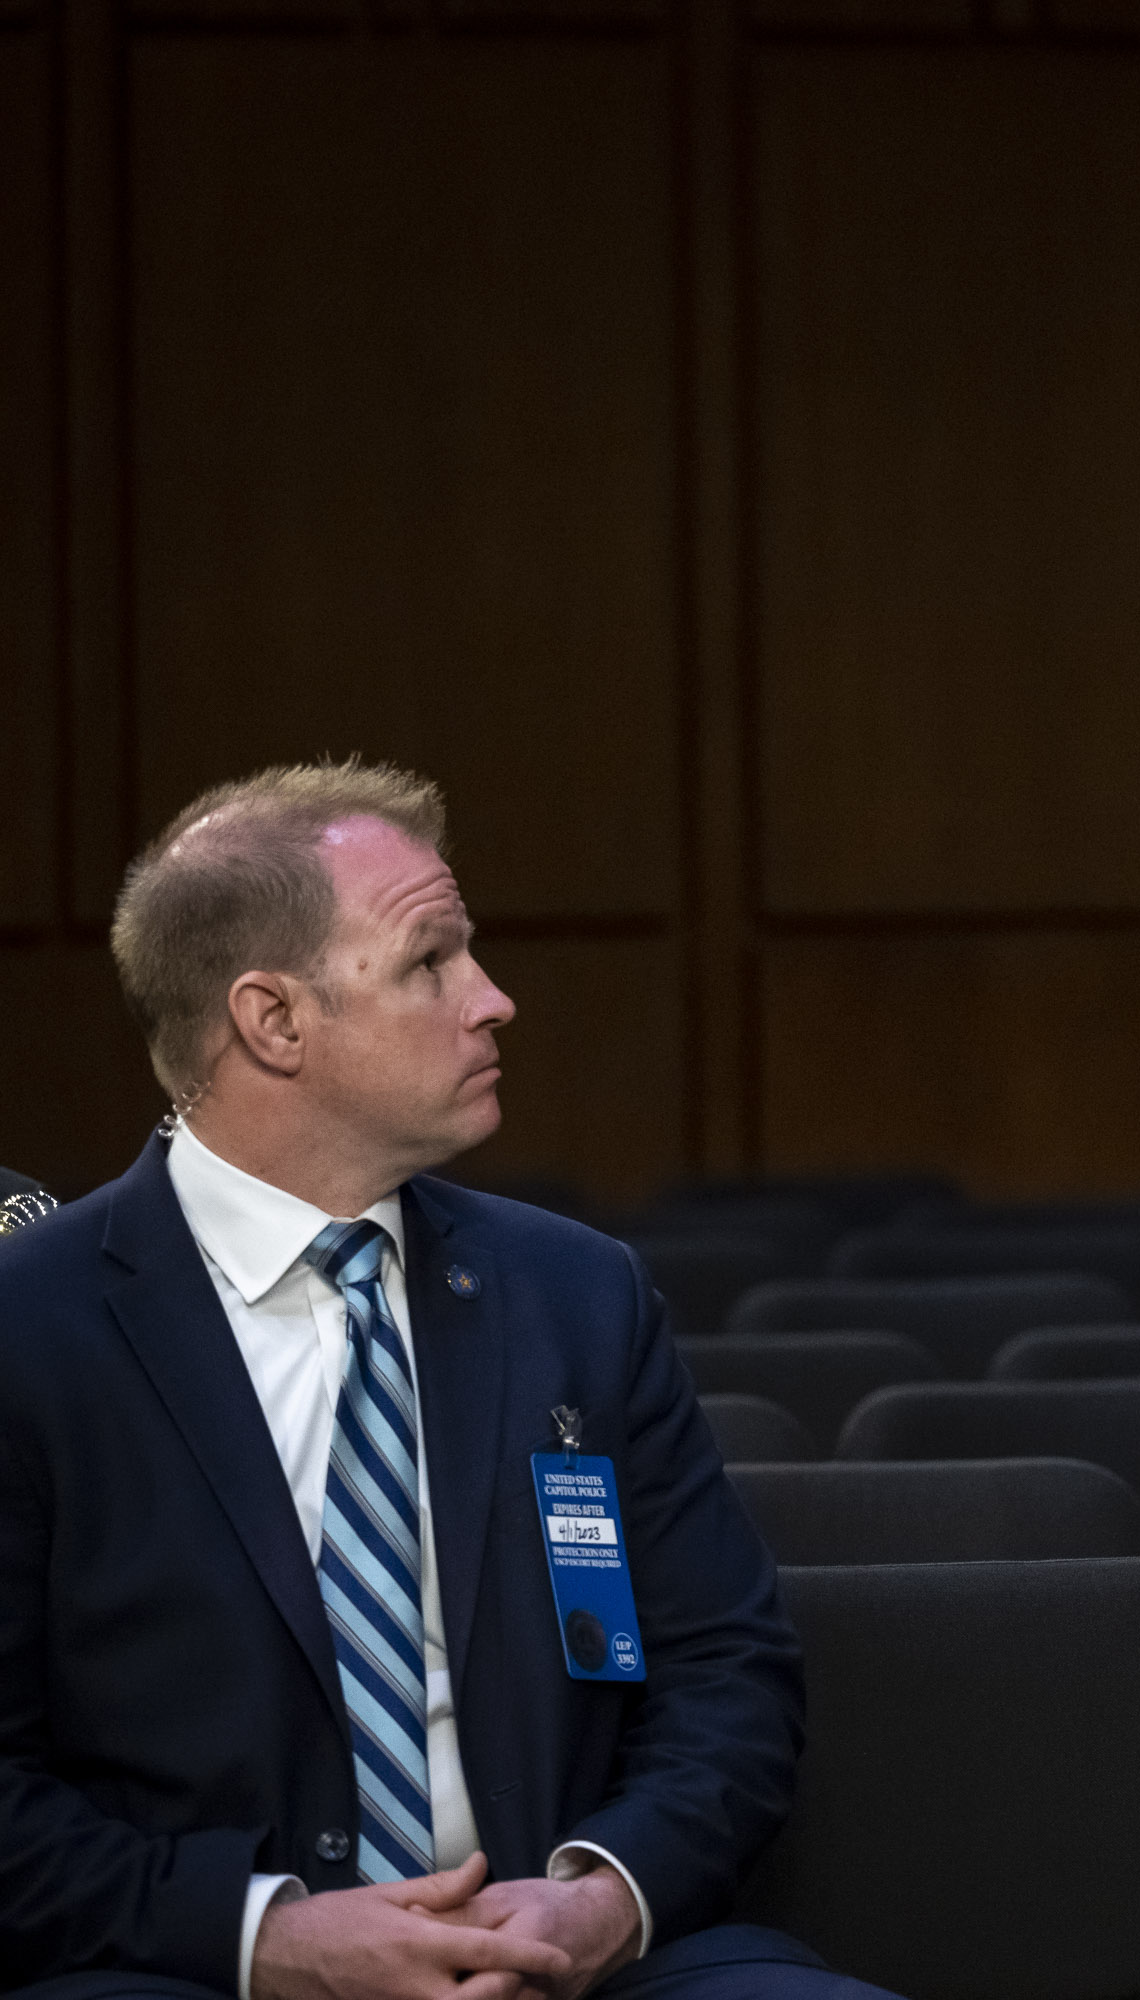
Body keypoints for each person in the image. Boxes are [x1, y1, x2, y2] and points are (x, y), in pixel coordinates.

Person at [0, 761, 891, 2000]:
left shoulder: (578, 1293)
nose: (494, 1000)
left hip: (576, 1960)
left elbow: (725, 1674)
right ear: (274, 1020)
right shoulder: (31, 1325)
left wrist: (597, 1896)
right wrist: (271, 1938)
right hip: (190, 1966)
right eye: (431, 962)